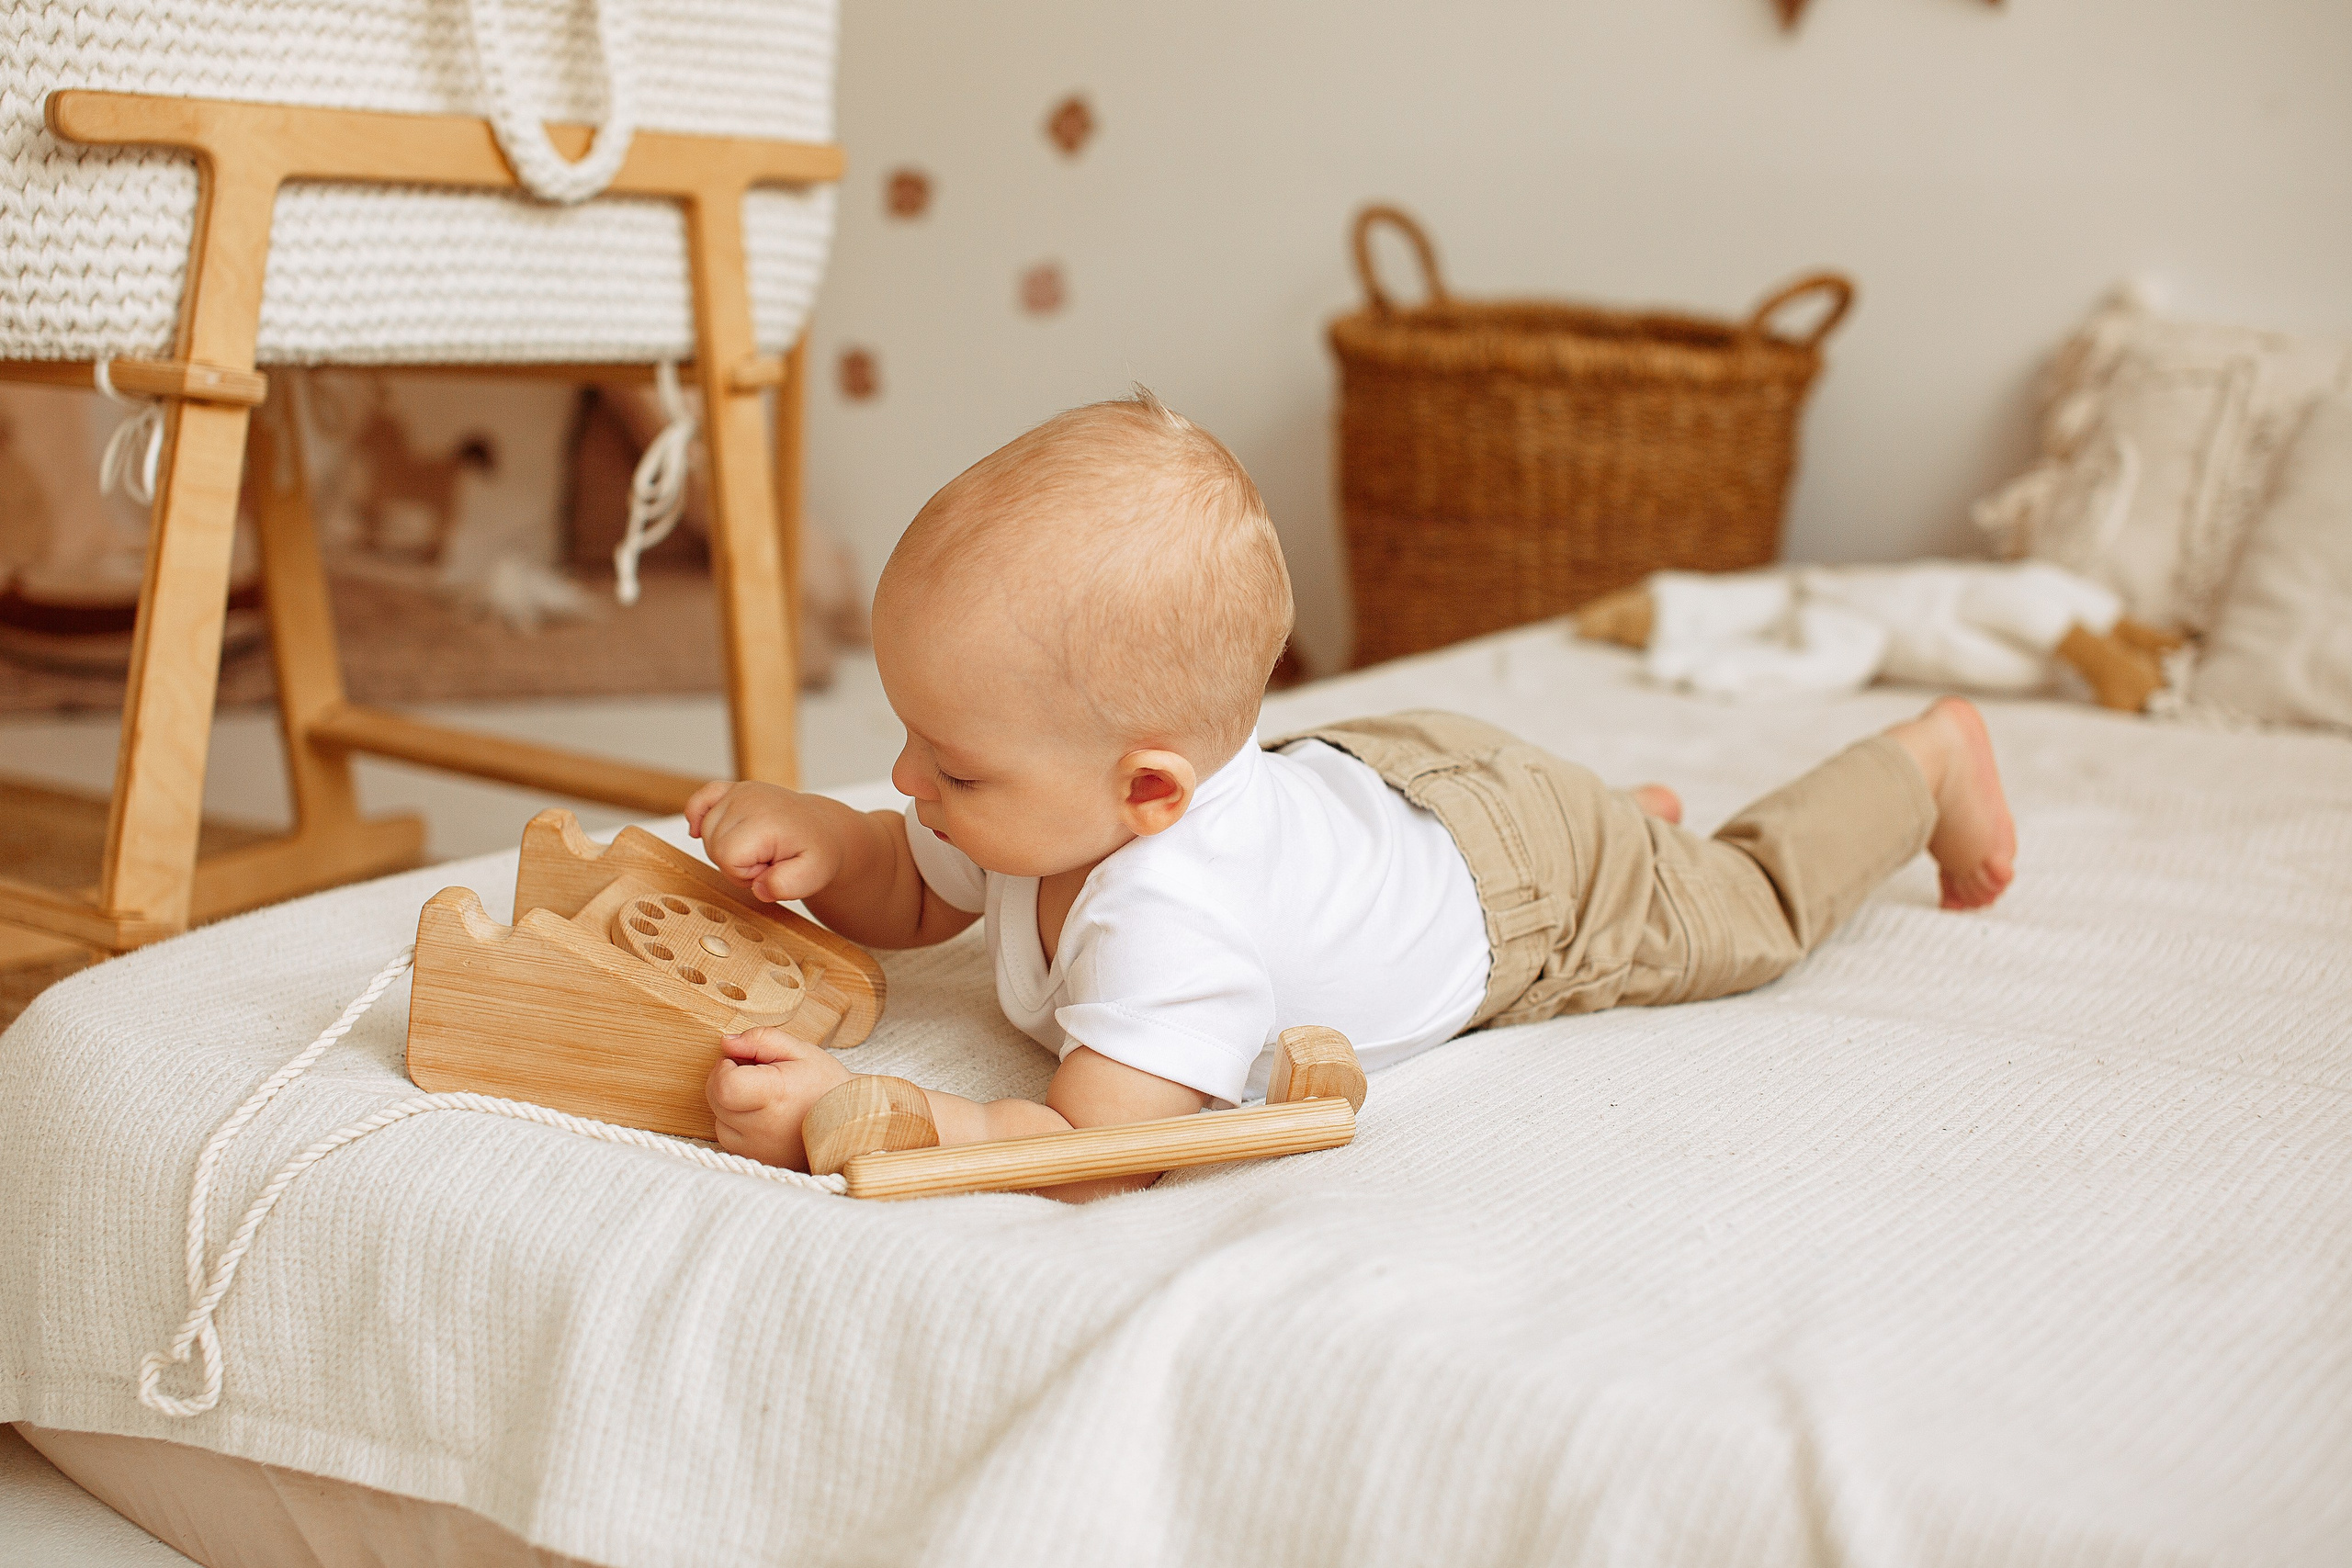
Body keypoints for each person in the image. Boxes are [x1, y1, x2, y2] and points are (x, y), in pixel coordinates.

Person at [686, 390, 2016, 1196]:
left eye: (951, 765)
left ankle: (1925, 761)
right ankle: (1624, 822)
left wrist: (865, 1114)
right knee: (1591, 833)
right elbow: (916, 888)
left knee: (1747, 909)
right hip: (1381, 779)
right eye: (911, 741)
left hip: (1512, 884)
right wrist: (827, 842)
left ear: (1149, 793)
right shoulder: (1041, 806)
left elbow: (1095, 1149)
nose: (907, 782)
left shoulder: (1172, 920)